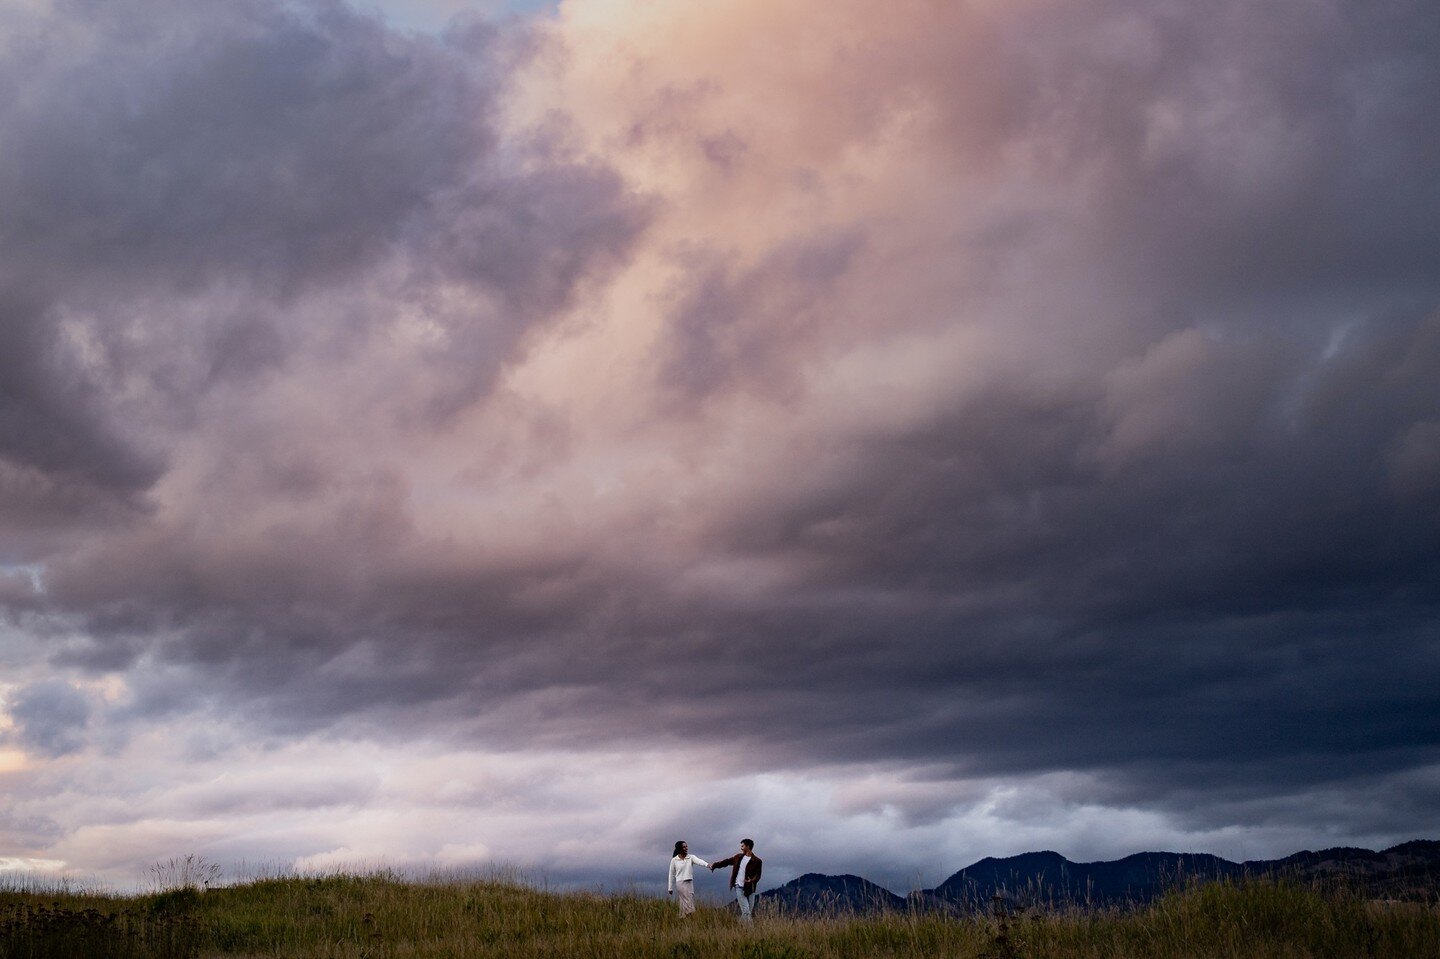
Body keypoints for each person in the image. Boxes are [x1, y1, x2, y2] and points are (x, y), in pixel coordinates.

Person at [709, 838, 762, 923]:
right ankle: (752, 932)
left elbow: (758, 875)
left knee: (748, 912)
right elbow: (726, 862)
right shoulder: (738, 857)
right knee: (746, 911)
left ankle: (739, 927)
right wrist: (715, 865)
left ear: (748, 847)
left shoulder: (757, 861)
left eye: (742, 846)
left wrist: (751, 880)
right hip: (739, 886)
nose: (741, 848)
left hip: (751, 888)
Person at [666, 840, 710, 917]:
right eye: (684, 847)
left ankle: (683, 917)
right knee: (687, 900)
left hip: (689, 882)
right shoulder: (674, 860)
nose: (686, 848)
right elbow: (671, 874)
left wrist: (707, 865)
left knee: (687, 900)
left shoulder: (691, 857)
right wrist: (670, 888)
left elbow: (699, 861)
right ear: (680, 848)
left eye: (686, 846)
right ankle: (690, 915)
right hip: (680, 883)